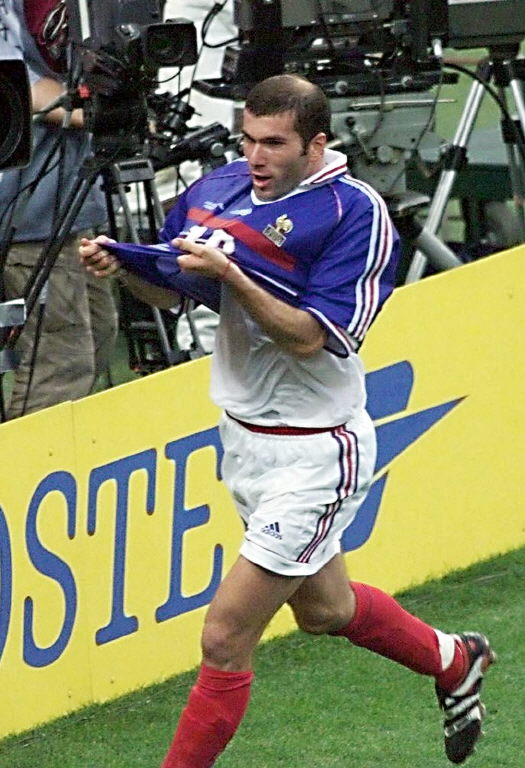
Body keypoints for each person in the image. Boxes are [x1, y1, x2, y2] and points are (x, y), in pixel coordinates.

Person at [80, 74, 495, 767]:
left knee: (224, 636)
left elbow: (311, 335)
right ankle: (454, 661)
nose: (255, 157)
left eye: (273, 143)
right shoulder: (222, 188)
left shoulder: (353, 213)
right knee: (325, 610)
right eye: (247, 139)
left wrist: (234, 276)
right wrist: (121, 268)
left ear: (316, 143)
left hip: (313, 452)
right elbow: (176, 288)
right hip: (243, 441)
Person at [0, 0, 118, 419]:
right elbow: (19, 86)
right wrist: (105, 112)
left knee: (100, 336)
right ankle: (21, 479)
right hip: (25, 209)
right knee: (60, 364)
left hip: (77, 197)